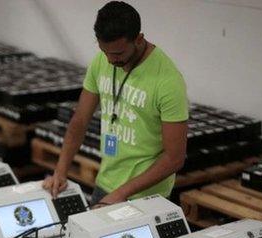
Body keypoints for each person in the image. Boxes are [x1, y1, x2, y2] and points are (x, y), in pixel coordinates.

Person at [43, 1, 189, 207]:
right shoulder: (100, 62)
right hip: (106, 186)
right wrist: (60, 170)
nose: (111, 60)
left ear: (139, 39)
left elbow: (175, 158)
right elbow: (80, 119)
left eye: (119, 54)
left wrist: (122, 193)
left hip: (147, 197)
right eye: (105, 51)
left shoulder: (168, 82)